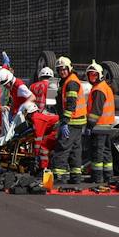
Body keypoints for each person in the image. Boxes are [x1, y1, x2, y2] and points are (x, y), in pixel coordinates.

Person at [51, 56, 88, 185]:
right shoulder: (68, 81)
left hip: (72, 121)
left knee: (62, 147)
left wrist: (65, 121)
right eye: (60, 70)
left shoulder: (71, 83)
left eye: (64, 69)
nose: (62, 72)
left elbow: (71, 104)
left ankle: (59, 176)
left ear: (69, 68)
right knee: (75, 150)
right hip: (78, 122)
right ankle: (76, 177)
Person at [85, 62, 116, 186]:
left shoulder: (99, 89)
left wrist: (89, 125)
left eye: (94, 75)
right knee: (106, 152)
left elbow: (96, 110)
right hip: (107, 125)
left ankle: (97, 177)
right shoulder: (104, 87)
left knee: (98, 152)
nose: (92, 77)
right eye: (90, 75)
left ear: (100, 75)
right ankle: (108, 176)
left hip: (99, 126)